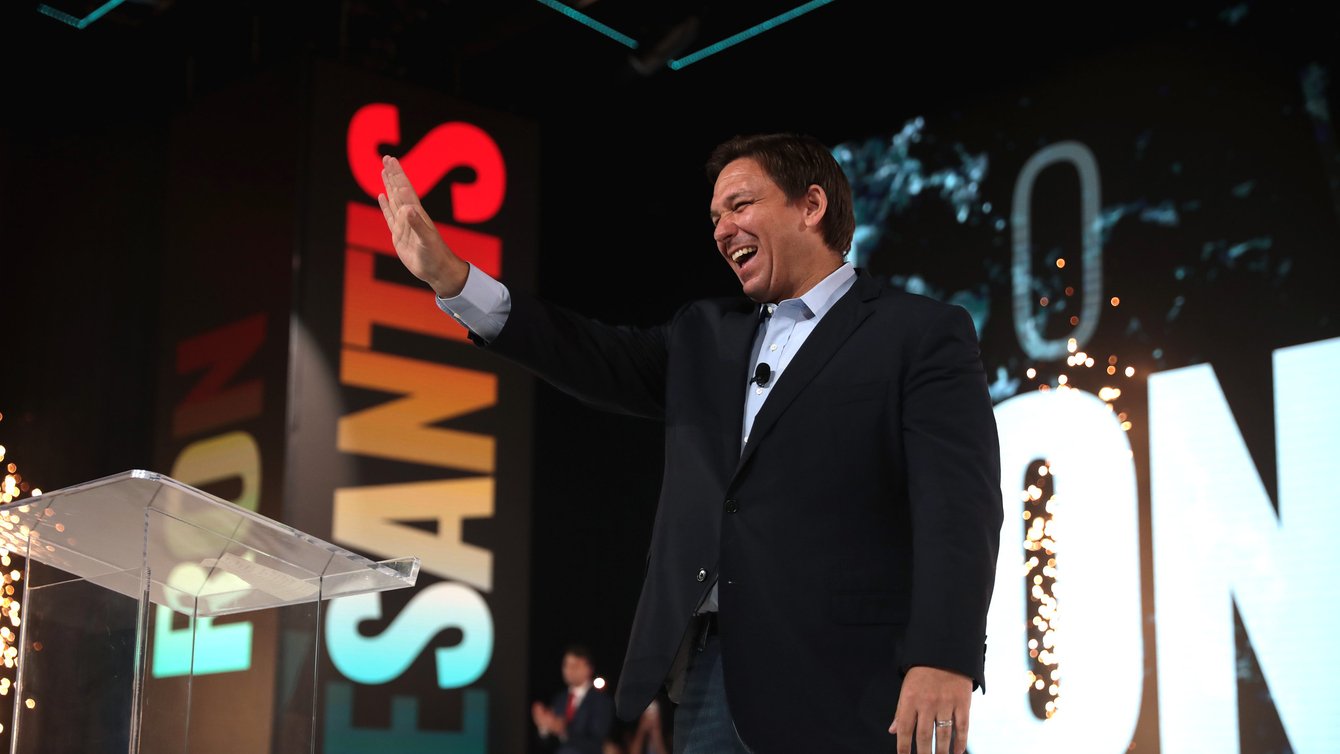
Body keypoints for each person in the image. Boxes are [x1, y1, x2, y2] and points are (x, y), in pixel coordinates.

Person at [379, 132, 1003, 754]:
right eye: (714, 217)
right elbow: (585, 351)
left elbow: (960, 508)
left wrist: (944, 656)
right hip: (712, 681)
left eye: (740, 205)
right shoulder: (704, 335)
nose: (722, 228)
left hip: (853, 680)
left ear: (811, 207)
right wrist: (455, 280)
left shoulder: (917, 332)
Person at [532, 645, 616, 754]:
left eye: (575, 665)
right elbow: (547, 744)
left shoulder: (601, 700)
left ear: (588, 668)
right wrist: (544, 726)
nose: (569, 670)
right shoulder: (560, 699)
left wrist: (563, 730)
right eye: (566, 665)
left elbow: (596, 740)